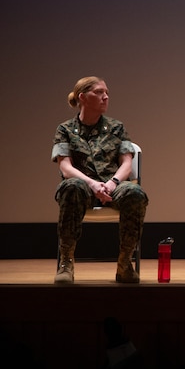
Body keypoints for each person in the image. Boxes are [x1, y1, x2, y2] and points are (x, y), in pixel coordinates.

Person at [52, 76, 148, 284]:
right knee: (71, 187)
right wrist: (92, 183)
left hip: (111, 185)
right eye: (99, 92)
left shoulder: (117, 128)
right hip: (82, 187)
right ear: (83, 97)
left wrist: (112, 183)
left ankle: (125, 263)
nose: (105, 97)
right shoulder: (65, 130)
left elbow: (126, 163)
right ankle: (66, 262)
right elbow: (65, 166)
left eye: (107, 93)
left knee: (135, 193)